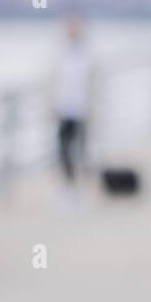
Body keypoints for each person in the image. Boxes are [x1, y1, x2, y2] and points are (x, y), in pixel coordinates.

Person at [52, 14, 93, 185]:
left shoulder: (87, 56)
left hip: (82, 109)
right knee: (63, 149)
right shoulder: (59, 55)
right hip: (64, 109)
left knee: (81, 149)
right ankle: (68, 183)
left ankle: (79, 182)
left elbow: (93, 84)